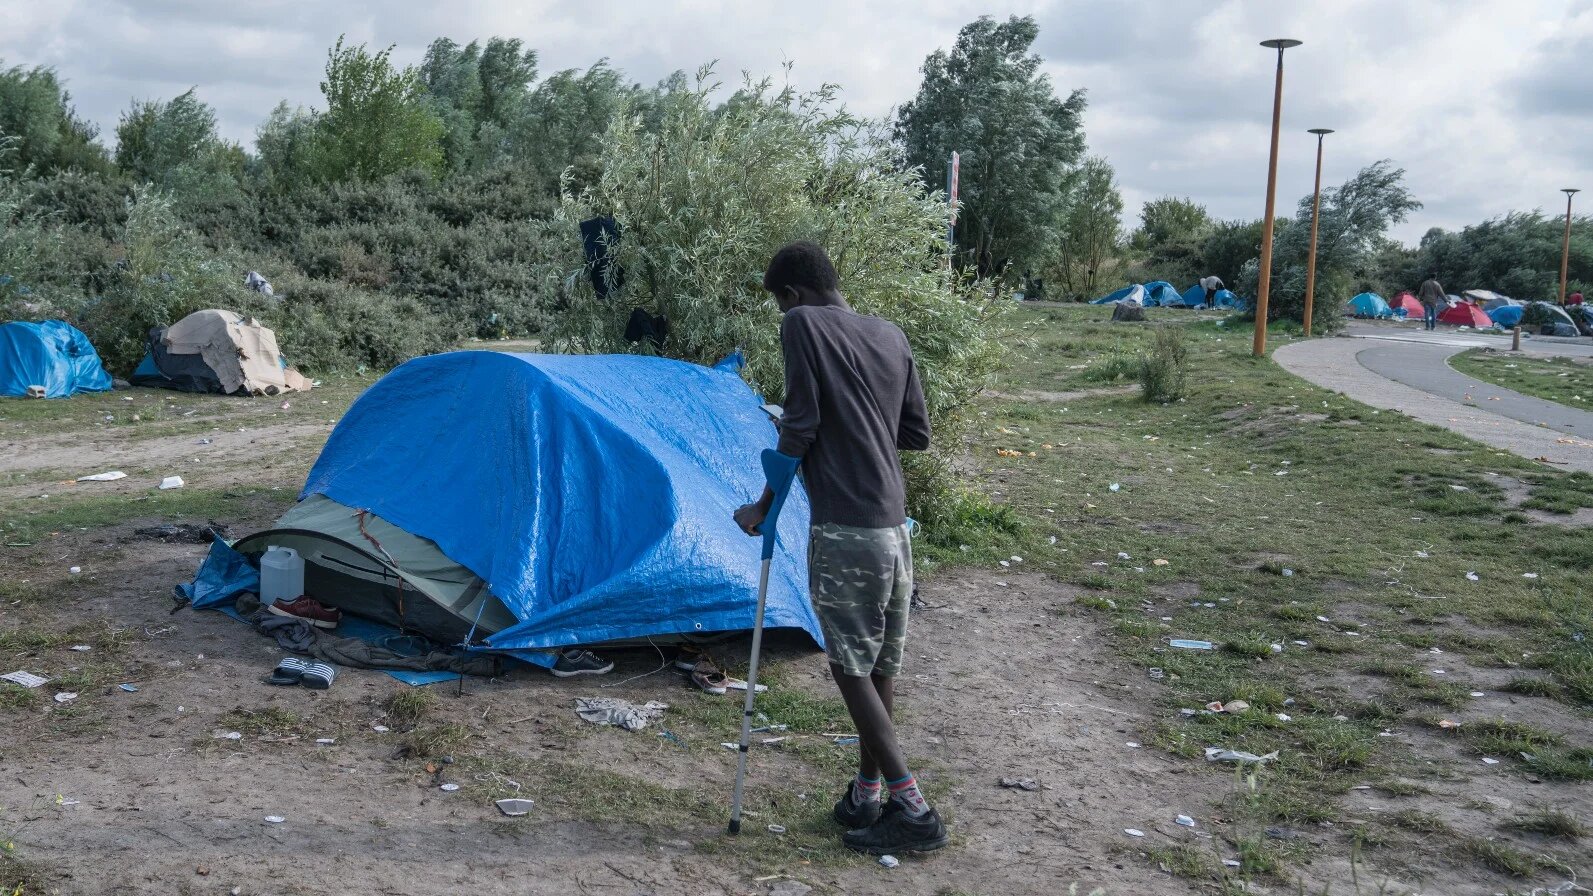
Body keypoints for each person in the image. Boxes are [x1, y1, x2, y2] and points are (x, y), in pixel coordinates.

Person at [733, 241, 946, 855]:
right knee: (877, 664)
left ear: (792, 295)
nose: (784, 311)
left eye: (781, 301)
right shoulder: (890, 334)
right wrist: (855, 426)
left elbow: (800, 425)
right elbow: (915, 434)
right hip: (894, 529)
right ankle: (867, 794)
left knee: (848, 666)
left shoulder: (801, 323)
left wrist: (762, 507)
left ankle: (914, 807)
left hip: (846, 527)